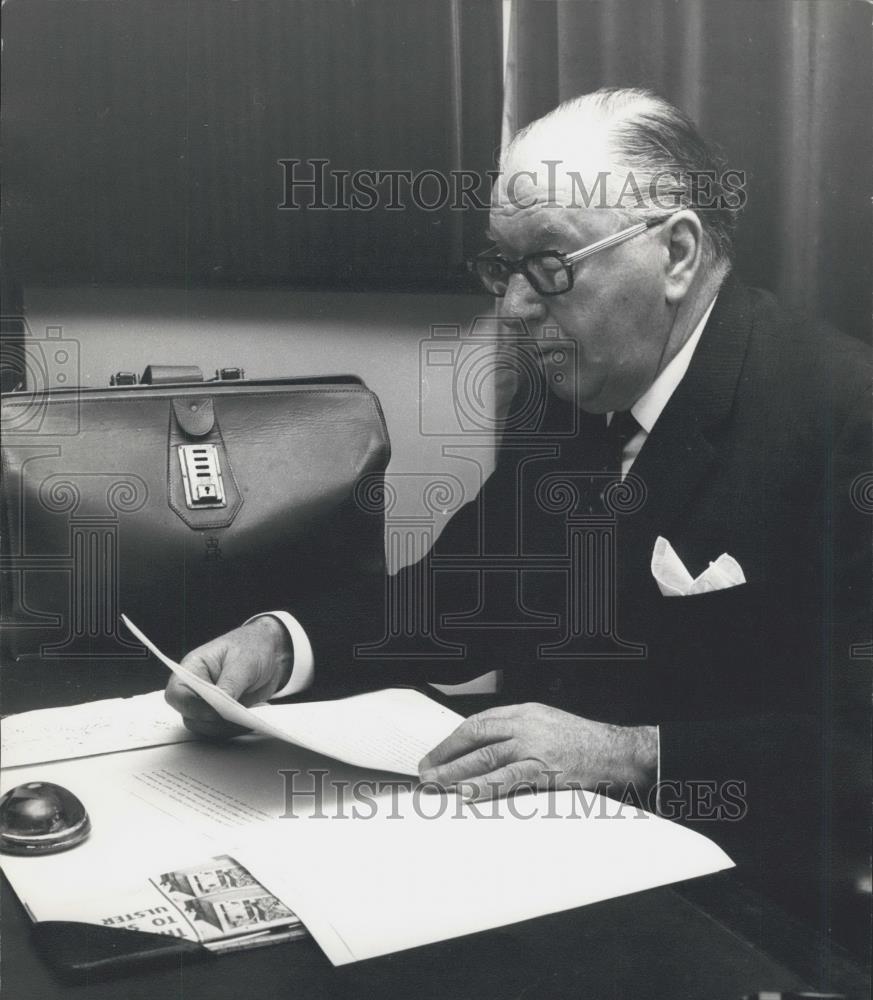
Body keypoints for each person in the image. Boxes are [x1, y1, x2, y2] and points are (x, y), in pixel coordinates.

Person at [166, 89, 870, 931]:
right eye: (504, 268)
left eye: (551, 266)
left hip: (753, 902)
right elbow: (462, 597)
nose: (514, 308)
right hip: (555, 869)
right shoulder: (584, 396)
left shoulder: (845, 417)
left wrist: (629, 756)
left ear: (676, 252)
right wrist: (284, 643)